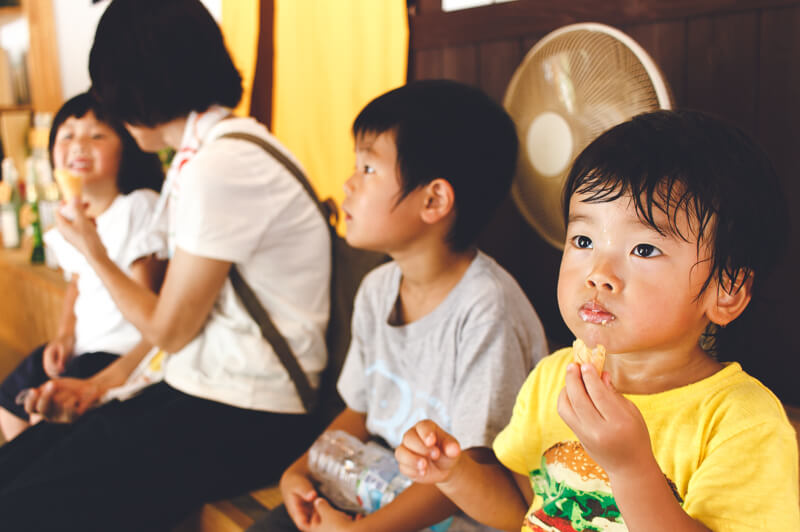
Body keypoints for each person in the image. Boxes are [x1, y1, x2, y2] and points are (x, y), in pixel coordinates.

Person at [0, 0, 331, 530]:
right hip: (207, 390)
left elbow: (170, 329)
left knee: (28, 502)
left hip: (254, 413)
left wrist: (92, 249)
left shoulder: (222, 164)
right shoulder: (209, 153)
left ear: (139, 86)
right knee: (23, 462)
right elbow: (179, 319)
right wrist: (100, 384)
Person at [396, 110, 800, 531]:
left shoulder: (741, 422)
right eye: (584, 240)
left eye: (643, 249)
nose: (598, 273)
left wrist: (631, 469)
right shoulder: (554, 380)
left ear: (727, 290)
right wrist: (453, 474)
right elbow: (524, 510)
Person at [248, 79, 548, 532]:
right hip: (376, 489)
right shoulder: (377, 288)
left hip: (452, 513)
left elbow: (468, 466)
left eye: (368, 169)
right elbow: (362, 409)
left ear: (434, 200)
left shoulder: (487, 308)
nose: (347, 184)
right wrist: (299, 471)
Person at [0, 91, 166, 441]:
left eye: (96, 135)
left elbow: (149, 299)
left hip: (120, 353)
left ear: (127, 148)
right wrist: (63, 334)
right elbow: (77, 284)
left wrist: (92, 247)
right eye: (67, 135)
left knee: (43, 419)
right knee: (9, 400)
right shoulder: (71, 216)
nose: (78, 146)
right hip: (82, 346)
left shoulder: (137, 207)